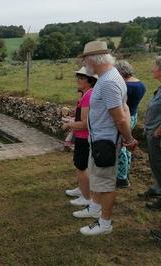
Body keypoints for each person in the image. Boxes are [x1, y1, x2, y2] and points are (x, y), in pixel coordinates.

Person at [73, 41, 138, 235]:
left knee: (106, 183)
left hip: (106, 141)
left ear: (93, 59)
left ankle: (105, 223)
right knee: (98, 177)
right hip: (101, 138)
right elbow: (123, 108)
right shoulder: (106, 77)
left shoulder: (108, 82)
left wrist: (129, 139)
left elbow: (119, 116)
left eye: (85, 59)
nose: (84, 63)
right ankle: (94, 207)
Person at [64, 67, 97, 207]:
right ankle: (82, 189)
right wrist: (72, 116)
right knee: (81, 165)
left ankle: (86, 197)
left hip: (84, 136)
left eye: (81, 78)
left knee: (81, 166)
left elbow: (84, 124)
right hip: (83, 136)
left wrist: (69, 125)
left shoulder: (88, 95)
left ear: (90, 81)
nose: (78, 80)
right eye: (78, 77)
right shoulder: (86, 94)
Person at [114, 60, 146, 188]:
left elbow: (122, 105)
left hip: (126, 117)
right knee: (128, 146)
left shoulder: (126, 86)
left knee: (121, 146)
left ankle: (121, 179)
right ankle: (126, 173)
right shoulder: (140, 84)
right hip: (134, 115)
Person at [141, 56, 161, 211]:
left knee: (159, 164)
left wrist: (158, 131)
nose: (152, 69)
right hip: (152, 133)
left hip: (157, 135)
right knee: (155, 164)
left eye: (154, 66)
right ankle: (157, 188)